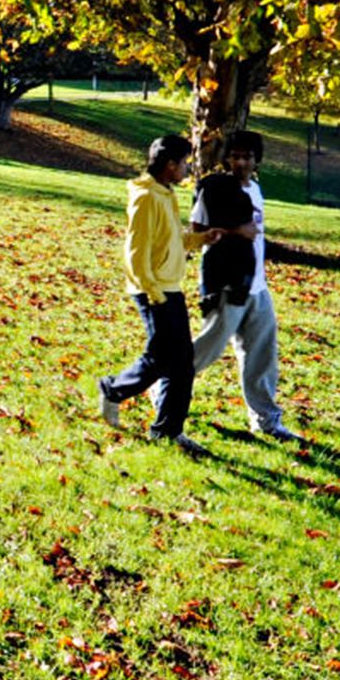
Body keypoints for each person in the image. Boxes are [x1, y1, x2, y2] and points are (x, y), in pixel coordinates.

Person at [97, 133, 219, 457]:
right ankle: (113, 390)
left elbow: (170, 238)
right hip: (153, 289)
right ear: (169, 165)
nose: (187, 170)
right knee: (163, 358)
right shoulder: (146, 197)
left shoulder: (165, 193)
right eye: (184, 164)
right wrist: (153, 293)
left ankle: (167, 431)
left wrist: (202, 238)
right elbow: (135, 252)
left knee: (181, 364)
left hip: (169, 287)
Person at [189, 130, 298, 441]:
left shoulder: (256, 189)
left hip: (256, 286)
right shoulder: (214, 188)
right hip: (226, 283)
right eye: (235, 156)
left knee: (262, 355)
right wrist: (238, 231)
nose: (241, 162)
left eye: (247, 157)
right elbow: (197, 231)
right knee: (207, 350)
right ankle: (164, 388)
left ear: (256, 160)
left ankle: (266, 421)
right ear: (227, 159)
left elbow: (256, 236)